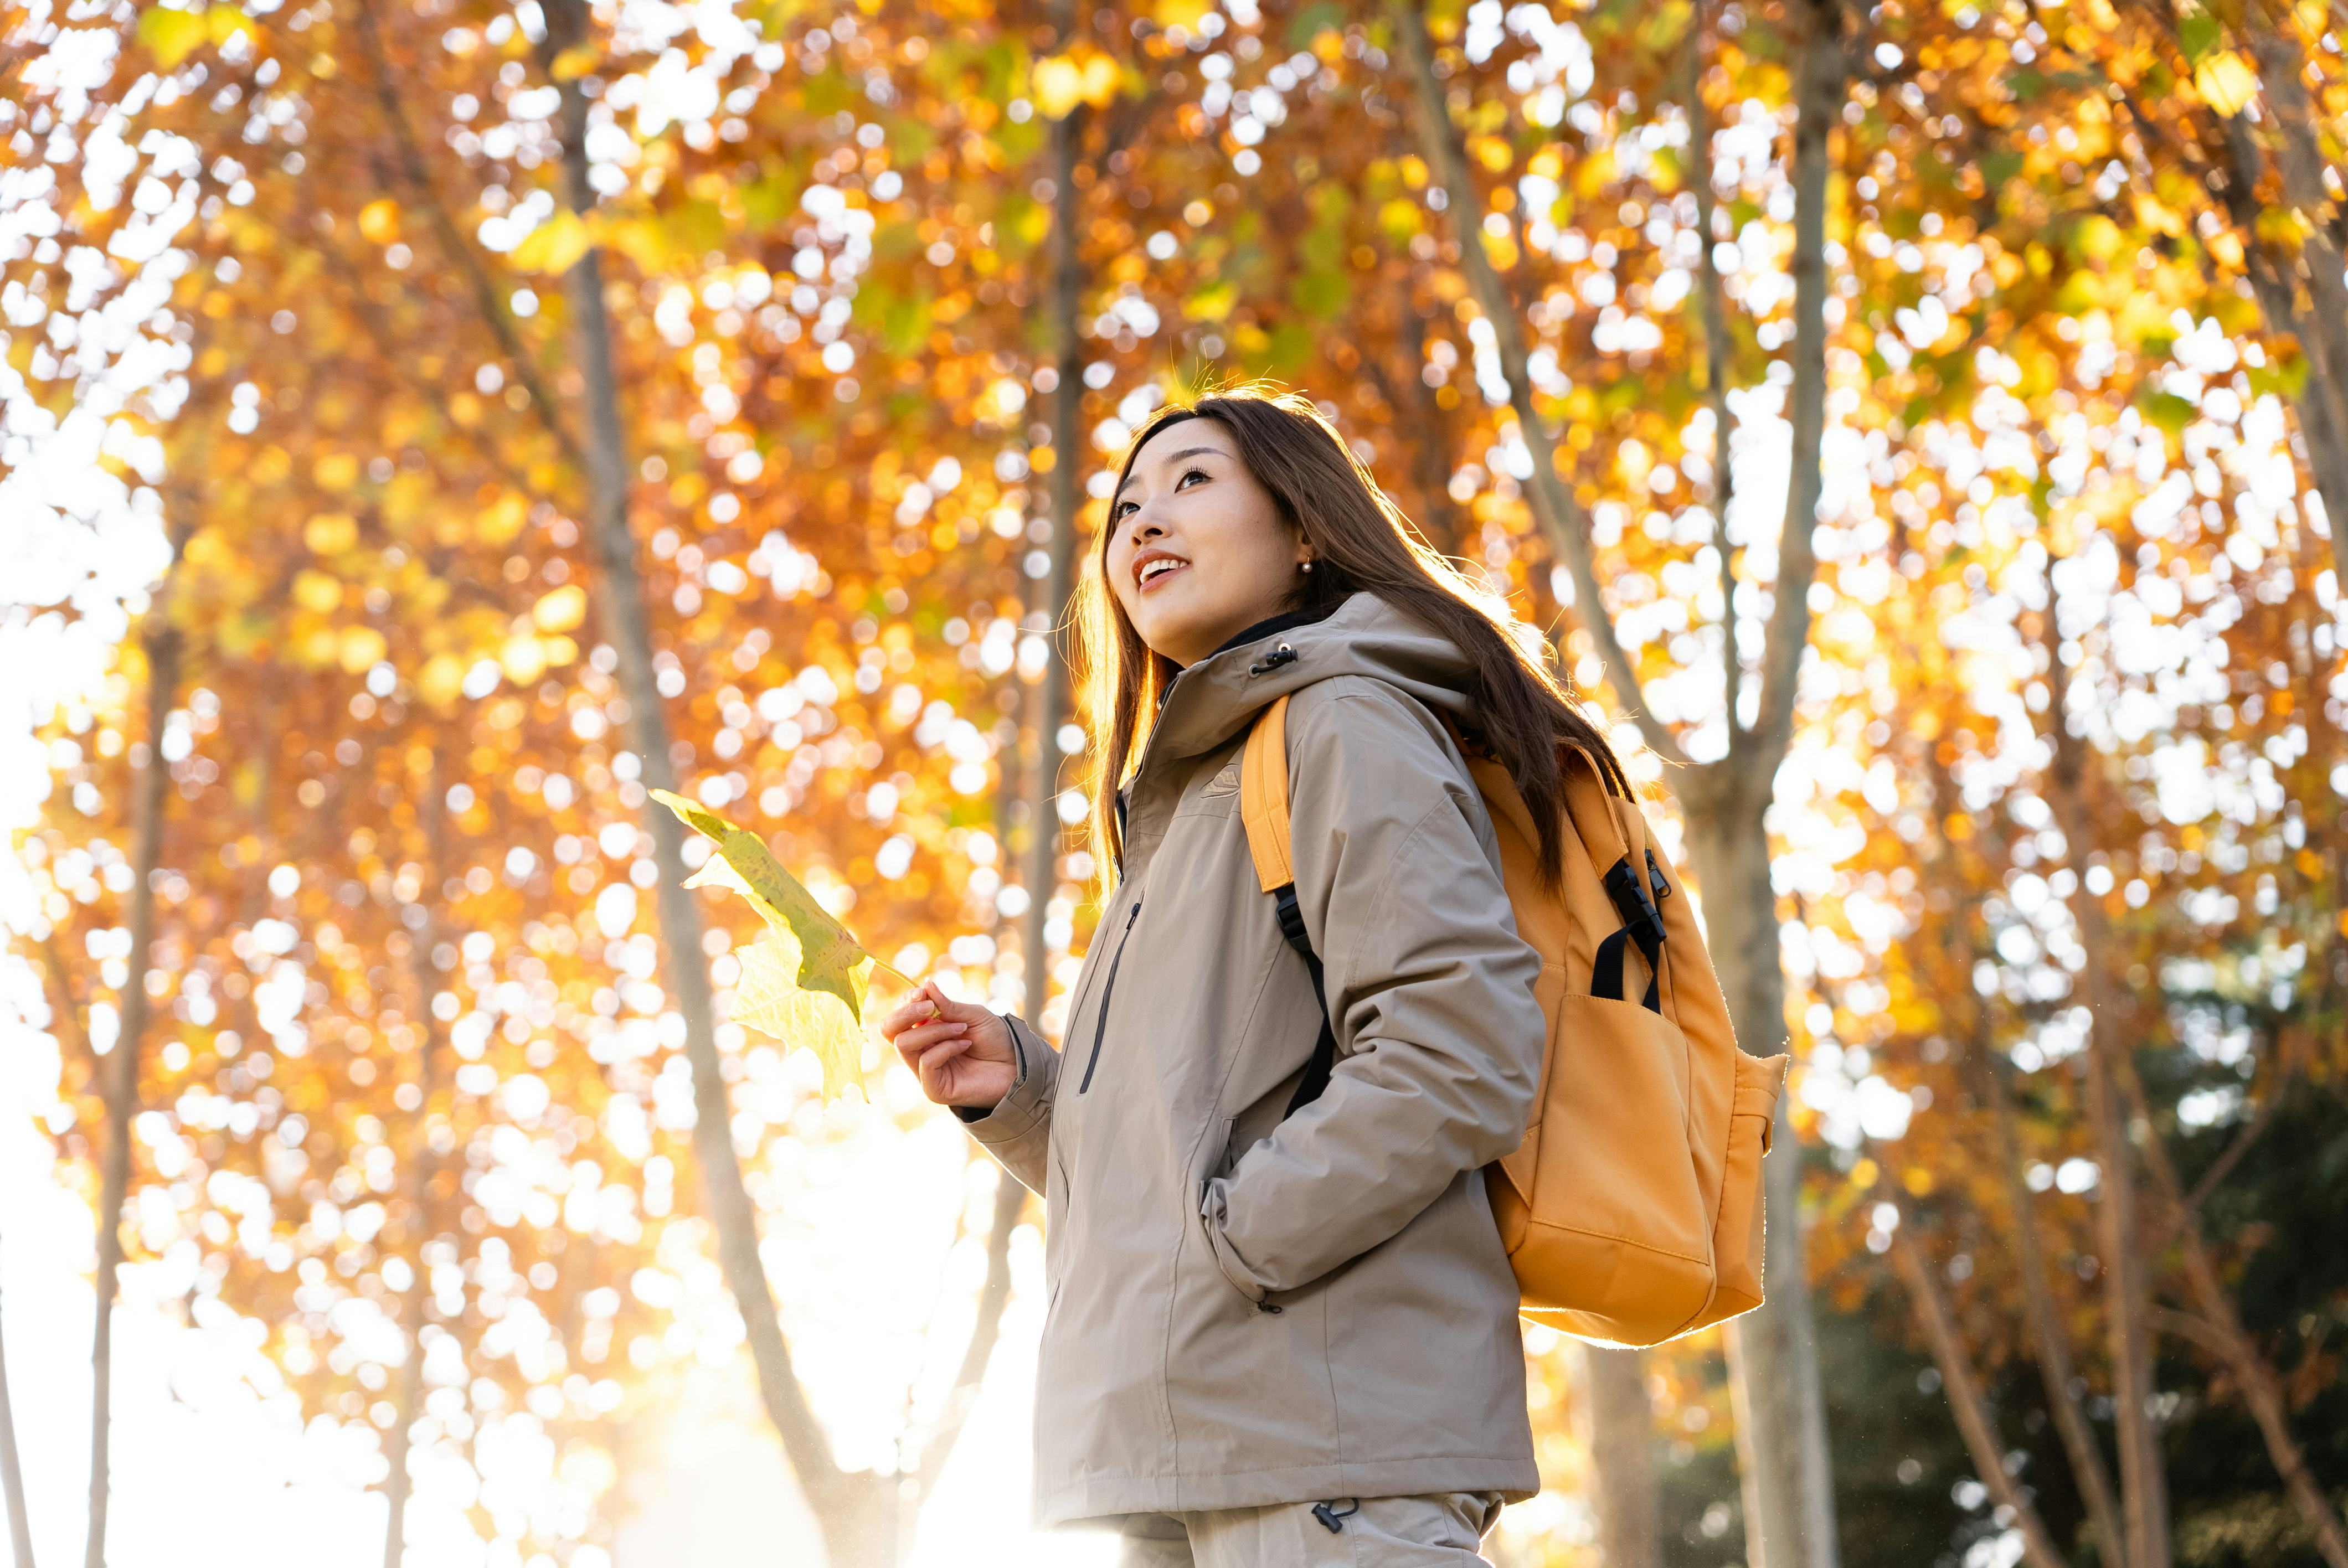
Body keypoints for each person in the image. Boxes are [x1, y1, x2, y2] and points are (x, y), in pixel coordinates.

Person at [881, 384, 1626, 1567]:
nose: (1140, 523)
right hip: (1199, 1467)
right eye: (1123, 506)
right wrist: (1017, 1092)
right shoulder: (1189, 804)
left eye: (1188, 481)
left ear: (1303, 530)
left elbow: (1458, 1051)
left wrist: (1243, 1239)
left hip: (1328, 1468)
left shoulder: (1342, 723)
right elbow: (1191, 1144)